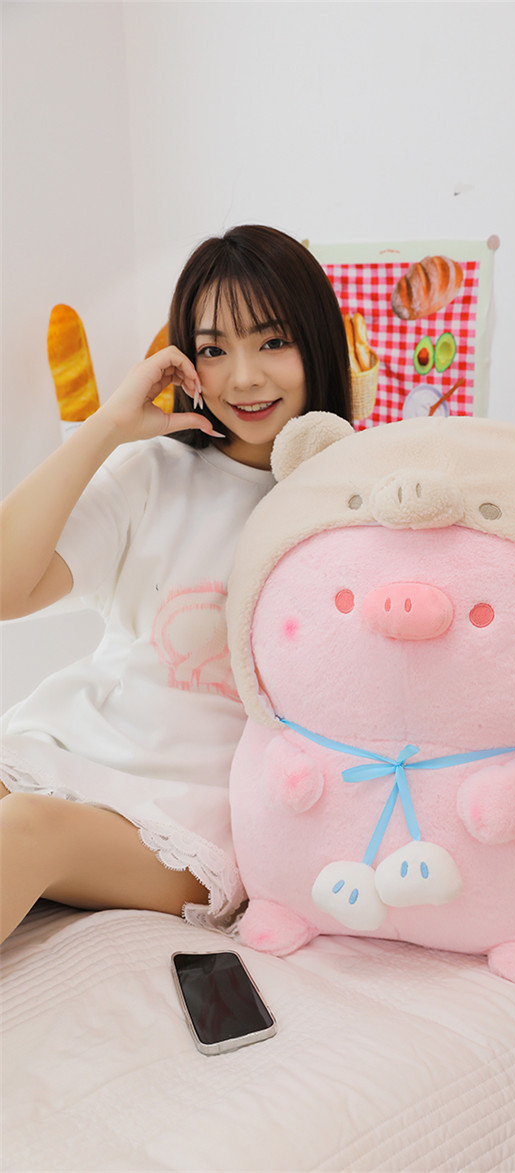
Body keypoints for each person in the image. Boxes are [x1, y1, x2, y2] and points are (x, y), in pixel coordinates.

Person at [0, 225, 352, 943]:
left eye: (272, 342)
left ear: (317, 342)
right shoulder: (154, 470)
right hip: (62, 749)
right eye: (214, 350)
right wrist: (109, 425)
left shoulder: (346, 502)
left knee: (26, 830)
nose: (243, 377)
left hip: (189, 818)